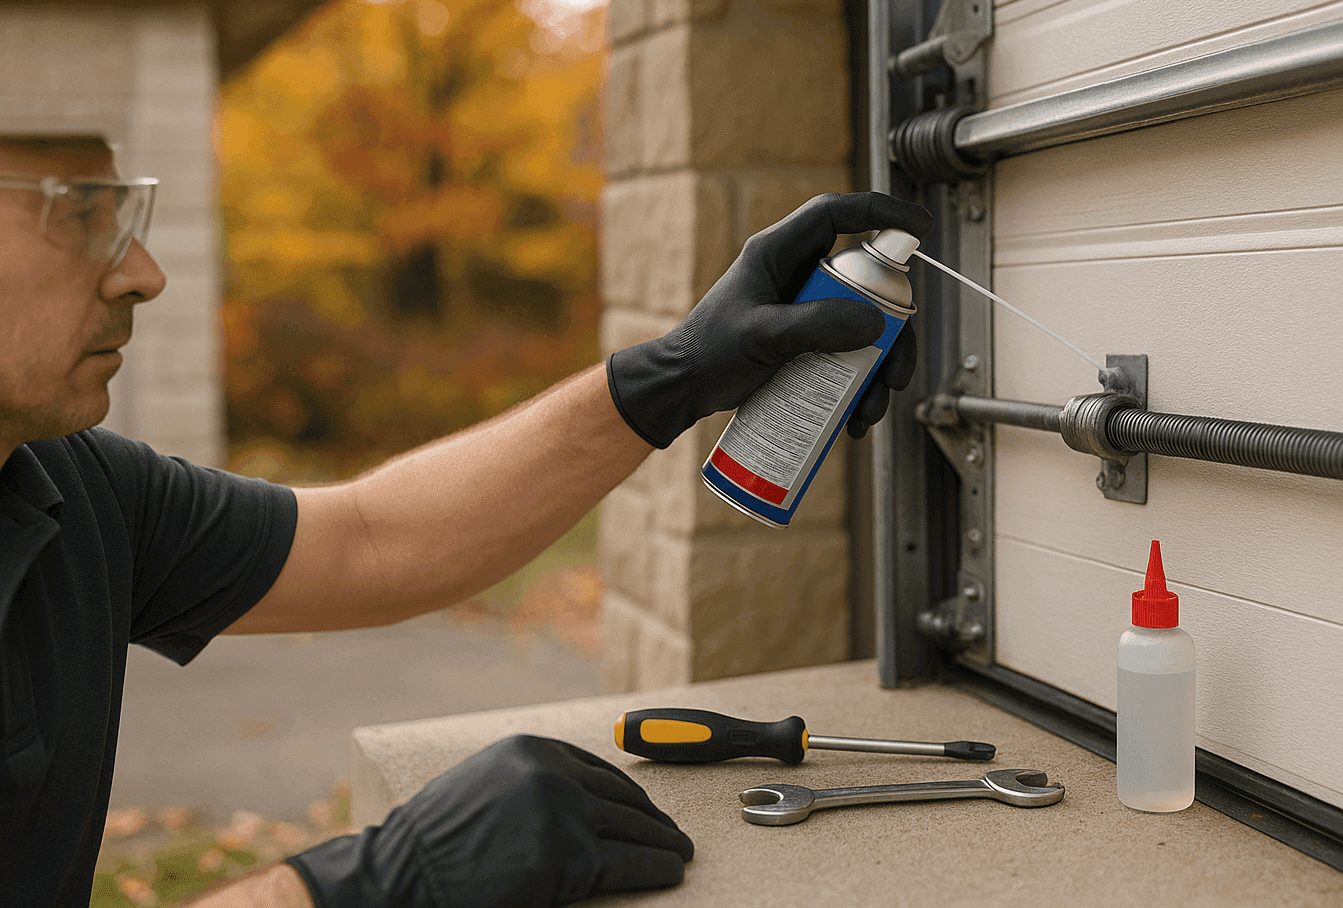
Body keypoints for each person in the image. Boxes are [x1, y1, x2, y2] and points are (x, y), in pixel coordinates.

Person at [0, 135, 932, 907]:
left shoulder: (64, 484)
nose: (143, 273)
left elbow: (368, 541)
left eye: (126, 213)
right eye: (83, 212)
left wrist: (675, 376)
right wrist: (364, 889)